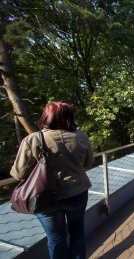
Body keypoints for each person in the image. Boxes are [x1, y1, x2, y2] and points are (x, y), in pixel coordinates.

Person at [10, 102, 94, 259]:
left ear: (46, 117)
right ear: (69, 116)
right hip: (77, 192)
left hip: (45, 198)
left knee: (56, 237)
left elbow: (19, 173)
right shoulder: (81, 136)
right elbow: (89, 162)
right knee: (77, 231)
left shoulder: (33, 140)